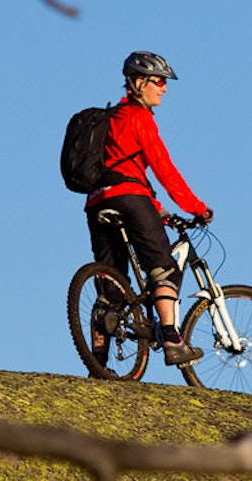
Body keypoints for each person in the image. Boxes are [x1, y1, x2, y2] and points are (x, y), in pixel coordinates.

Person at [84, 51, 214, 369]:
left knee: (110, 283)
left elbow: (121, 171)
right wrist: (197, 208)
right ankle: (171, 339)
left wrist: (158, 211)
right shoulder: (139, 118)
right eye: (159, 81)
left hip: (97, 201)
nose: (164, 88)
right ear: (138, 82)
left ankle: (98, 362)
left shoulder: (109, 119)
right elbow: (163, 169)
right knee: (163, 267)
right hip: (130, 199)